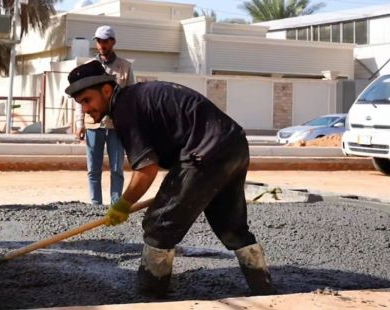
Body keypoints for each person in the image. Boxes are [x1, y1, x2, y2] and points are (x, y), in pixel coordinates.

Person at [65, 61, 275, 297]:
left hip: (203, 153)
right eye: (80, 103)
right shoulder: (136, 98)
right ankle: (263, 286)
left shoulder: (125, 109)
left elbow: (146, 170)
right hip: (233, 144)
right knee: (231, 226)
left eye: (87, 100)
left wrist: (123, 204)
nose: (85, 109)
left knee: (158, 225)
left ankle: (150, 294)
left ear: (106, 90)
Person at [75, 25, 133, 205]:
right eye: (98, 41)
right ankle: (95, 206)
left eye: (105, 41)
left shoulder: (125, 67)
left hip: (116, 127)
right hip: (93, 125)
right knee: (93, 170)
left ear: (113, 42)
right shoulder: (87, 68)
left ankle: (115, 204)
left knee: (117, 169)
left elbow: (132, 97)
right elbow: (80, 99)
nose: (101, 45)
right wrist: (80, 123)